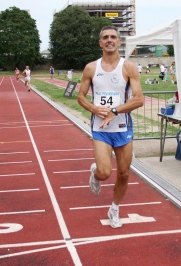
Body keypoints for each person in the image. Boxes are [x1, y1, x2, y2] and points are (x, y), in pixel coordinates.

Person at [77, 25, 144, 228]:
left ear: (119, 42)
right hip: (100, 129)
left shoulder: (128, 67)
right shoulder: (91, 68)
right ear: (100, 43)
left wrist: (115, 110)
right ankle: (95, 172)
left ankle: (114, 209)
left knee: (124, 173)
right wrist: (94, 108)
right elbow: (80, 96)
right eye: (105, 37)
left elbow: (139, 99)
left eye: (113, 37)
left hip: (122, 127)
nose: (109, 40)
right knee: (105, 173)